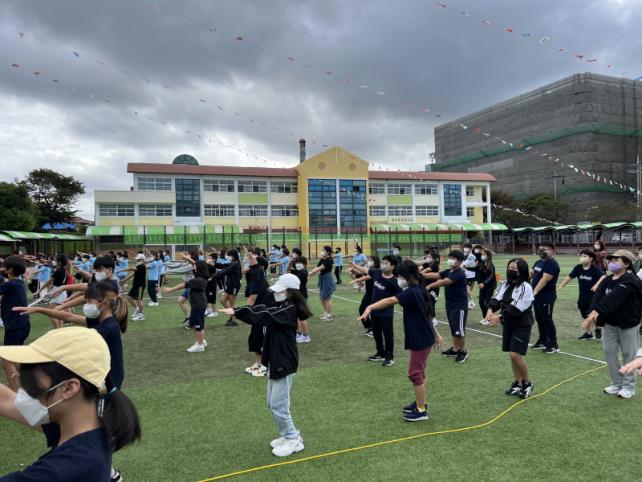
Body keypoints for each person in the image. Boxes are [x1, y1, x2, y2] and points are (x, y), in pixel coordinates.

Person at [0, 327, 141, 481]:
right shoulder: (88, 427)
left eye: (32, 386)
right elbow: (5, 401)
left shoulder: (62, 469)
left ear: (68, 388)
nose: (26, 393)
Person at [221, 273, 312, 457]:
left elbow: (265, 315)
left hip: (284, 361)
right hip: (276, 360)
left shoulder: (289, 309)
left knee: (279, 405)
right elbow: (263, 308)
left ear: (290, 292)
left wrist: (238, 312)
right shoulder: (282, 305)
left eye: (281, 290)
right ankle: (287, 435)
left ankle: (293, 439)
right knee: (272, 403)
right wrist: (239, 310)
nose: (276, 293)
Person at [359, 260, 444, 422]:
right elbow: (426, 314)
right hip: (423, 336)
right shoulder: (418, 288)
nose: (398, 279)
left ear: (407, 276)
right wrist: (436, 334)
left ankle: (421, 411)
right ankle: (420, 403)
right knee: (419, 372)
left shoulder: (413, 292)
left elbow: (390, 300)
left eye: (399, 276)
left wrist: (370, 307)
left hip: (420, 338)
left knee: (415, 373)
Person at [14, 280, 128, 391]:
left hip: (108, 378)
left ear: (104, 303)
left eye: (89, 301)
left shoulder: (108, 327)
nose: (86, 305)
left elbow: (77, 349)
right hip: (100, 375)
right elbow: (70, 317)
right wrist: (39, 309)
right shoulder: (99, 320)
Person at [582, 250, 642, 399]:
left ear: (626, 263)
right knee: (609, 353)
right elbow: (597, 298)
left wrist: (595, 314)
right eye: (610, 260)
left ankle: (628, 387)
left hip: (628, 324)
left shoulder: (630, 280)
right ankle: (616, 383)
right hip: (609, 324)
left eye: (616, 260)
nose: (611, 262)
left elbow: (614, 298)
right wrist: (591, 314)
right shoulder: (607, 279)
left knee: (629, 355)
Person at [486, 258, 535, 398]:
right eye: (510, 268)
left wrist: (500, 317)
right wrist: (490, 309)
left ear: (522, 271)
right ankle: (517, 384)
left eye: (514, 269)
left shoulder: (525, 287)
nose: (511, 271)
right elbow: (497, 298)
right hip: (508, 323)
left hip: (522, 324)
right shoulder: (506, 284)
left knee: (515, 354)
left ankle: (527, 383)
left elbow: (517, 308)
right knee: (512, 355)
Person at [352, 255, 401, 367]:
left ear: (392, 266)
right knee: (376, 333)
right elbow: (366, 270)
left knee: (388, 335)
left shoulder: (395, 282)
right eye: (382, 262)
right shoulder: (377, 272)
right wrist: (354, 265)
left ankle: (389, 357)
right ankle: (380, 353)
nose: (383, 265)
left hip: (386, 314)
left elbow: (398, 299)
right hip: (374, 312)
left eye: (386, 263)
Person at [426, 250, 470, 363]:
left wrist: (429, 286)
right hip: (450, 305)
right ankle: (455, 349)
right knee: (454, 328)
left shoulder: (459, 273)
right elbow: (436, 275)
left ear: (459, 261)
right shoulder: (449, 271)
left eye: (453, 258)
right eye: (450, 257)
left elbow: (445, 281)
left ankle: (462, 351)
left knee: (459, 331)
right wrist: (420, 275)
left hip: (459, 306)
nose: (450, 260)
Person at [557, 249, 605, 341]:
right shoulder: (578, 268)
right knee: (584, 314)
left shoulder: (595, 268)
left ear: (591, 258)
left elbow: (603, 276)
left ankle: (597, 328)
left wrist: (596, 285)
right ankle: (588, 333)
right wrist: (561, 285)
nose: (582, 258)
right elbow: (570, 276)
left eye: (584, 256)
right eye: (581, 256)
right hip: (583, 296)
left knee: (593, 314)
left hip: (594, 297)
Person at [163, 261, 210, 352]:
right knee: (192, 323)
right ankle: (201, 340)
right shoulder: (199, 278)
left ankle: (200, 345)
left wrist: (170, 289)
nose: (193, 268)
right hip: (197, 304)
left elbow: (185, 284)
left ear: (199, 268)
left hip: (198, 305)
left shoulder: (199, 280)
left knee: (197, 325)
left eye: (194, 266)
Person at [0, 256, 30, 391]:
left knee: (7, 360)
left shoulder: (12, 284)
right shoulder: (18, 283)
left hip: (16, 326)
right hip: (20, 325)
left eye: (4, 267)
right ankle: (24, 385)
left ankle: (17, 391)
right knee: (15, 357)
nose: (2, 269)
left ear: (10, 269)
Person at [244, 251, 271, 374]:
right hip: (257, 315)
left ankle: (265, 366)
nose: (249, 264)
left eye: (251, 262)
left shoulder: (258, 278)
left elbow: (252, 297)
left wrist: (246, 315)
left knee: (261, 340)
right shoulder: (256, 277)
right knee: (255, 339)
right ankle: (258, 363)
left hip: (262, 315)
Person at [531, 243, 561, 353]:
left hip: (546, 297)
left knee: (547, 319)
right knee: (539, 319)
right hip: (537, 297)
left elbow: (545, 279)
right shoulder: (539, 262)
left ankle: (553, 344)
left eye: (544, 249)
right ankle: (542, 341)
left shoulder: (552, 264)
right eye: (540, 249)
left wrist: (535, 291)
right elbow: (532, 274)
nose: (541, 251)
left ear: (552, 250)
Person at [36, 254, 71, 329]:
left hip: (57, 292)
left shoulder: (59, 270)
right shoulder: (65, 269)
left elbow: (49, 281)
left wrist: (40, 289)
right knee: (59, 312)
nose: (54, 261)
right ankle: (60, 330)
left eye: (55, 260)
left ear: (60, 261)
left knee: (50, 312)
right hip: (61, 292)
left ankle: (57, 330)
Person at [351, 255, 380, 337]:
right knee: (363, 309)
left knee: (370, 311)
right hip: (369, 292)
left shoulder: (376, 269)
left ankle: (373, 329)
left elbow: (368, 276)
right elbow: (363, 272)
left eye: (370, 260)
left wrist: (356, 280)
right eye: (368, 260)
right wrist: (354, 270)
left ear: (375, 261)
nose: (368, 261)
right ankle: (370, 327)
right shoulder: (370, 268)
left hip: (373, 293)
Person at [212, 249, 242, 327]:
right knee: (222, 301)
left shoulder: (236, 263)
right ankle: (232, 315)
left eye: (228, 255)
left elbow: (226, 271)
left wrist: (214, 276)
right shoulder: (233, 262)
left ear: (232, 256)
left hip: (234, 286)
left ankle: (234, 320)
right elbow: (224, 266)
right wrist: (214, 264)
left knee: (232, 304)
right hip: (229, 285)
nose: (227, 256)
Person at [309, 245, 335, 321]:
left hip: (327, 279)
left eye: (323, 250)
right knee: (322, 297)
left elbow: (320, 268)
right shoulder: (322, 259)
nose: (321, 252)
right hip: (322, 278)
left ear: (328, 252)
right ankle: (326, 312)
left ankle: (329, 315)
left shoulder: (329, 260)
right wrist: (309, 275)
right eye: (322, 250)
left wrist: (309, 273)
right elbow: (316, 267)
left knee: (327, 298)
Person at [290, 256, 311, 343]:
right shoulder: (297, 271)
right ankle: (298, 332)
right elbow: (290, 269)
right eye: (297, 263)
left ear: (304, 264)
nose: (298, 264)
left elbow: (292, 272)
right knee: (296, 316)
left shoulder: (303, 272)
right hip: (296, 295)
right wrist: (293, 261)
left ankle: (306, 335)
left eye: (300, 263)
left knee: (302, 317)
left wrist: (292, 264)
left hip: (301, 296)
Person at [477, 248, 497, 325]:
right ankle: (485, 317)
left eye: (483, 254)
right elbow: (480, 273)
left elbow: (491, 276)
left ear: (488, 256)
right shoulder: (482, 264)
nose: (482, 256)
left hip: (489, 286)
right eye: (482, 254)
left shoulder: (491, 266)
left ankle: (488, 319)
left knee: (487, 303)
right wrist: (479, 282)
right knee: (481, 302)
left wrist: (484, 283)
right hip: (483, 286)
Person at [124, 253, 146, 321]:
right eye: (137, 260)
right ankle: (137, 309)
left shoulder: (142, 266)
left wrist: (122, 270)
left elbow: (132, 269)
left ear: (142, 260)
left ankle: (141, 315)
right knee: (129, 297)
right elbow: (133, 274)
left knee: (139, 300)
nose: (137, 261)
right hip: (136, 285)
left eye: (138, 260)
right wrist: (124, 280)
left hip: (140, 285)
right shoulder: (139, 266)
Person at [461, 243, 478, 309]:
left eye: (466, 247)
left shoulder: (472, 256)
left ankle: (471, 301)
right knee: (466, 290)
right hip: (464, 274)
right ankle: (468, 303)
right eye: (464, 247)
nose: (465, 249)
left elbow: (464, 265)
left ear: (470, 248)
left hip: (470, 275)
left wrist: (457, 267)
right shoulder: (464, 255)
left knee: (466, 289)